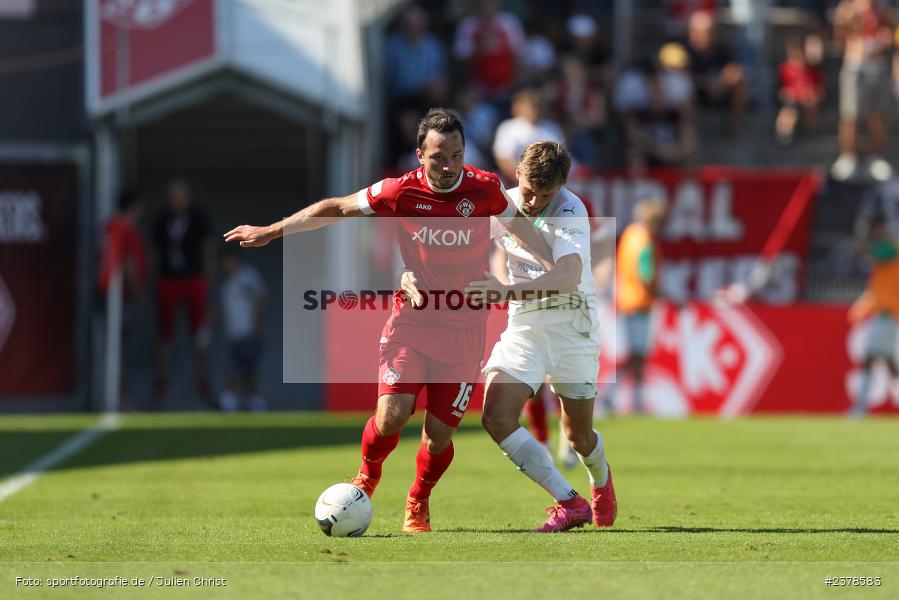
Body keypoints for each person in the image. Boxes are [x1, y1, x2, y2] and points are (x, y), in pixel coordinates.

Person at [224, 109, 552, 533]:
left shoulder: (486, 189)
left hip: (466, 331)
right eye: (438, 157)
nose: (448, 165)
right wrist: (274, 229)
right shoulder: (400, 191)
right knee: (392, 415)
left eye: (456, 155)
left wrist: (553, 265)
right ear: (420, 155)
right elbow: (338, 208)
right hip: (412, 321)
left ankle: (418, 499)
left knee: (439, 436)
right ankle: (368, 475)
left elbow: (522, 232)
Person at [405, 141, 617, 532]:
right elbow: (449, 249)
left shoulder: (571, 209)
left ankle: (601, 481)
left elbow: (567, 276)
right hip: (525, 329)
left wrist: (504, 291)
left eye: (545, 194)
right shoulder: (498, 204)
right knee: (496, 416)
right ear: (517, 171)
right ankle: (569, 502)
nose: (534, 201)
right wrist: (414, 272)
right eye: (530, 190)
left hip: (573, 328)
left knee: (578, 436)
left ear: (561, 188)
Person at [152, 178, 214, 406]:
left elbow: (208, 249)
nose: (176, 202)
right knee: (164, 330)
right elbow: (155, 251)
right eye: (172, 197)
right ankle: (162, 377)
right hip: (169, 279)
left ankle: (202, 376)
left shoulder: (198, 217)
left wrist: (207, 280)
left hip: (193, 279)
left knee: (199, 330)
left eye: (180, 197)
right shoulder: (162, 219)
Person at [832, 0, 894, 182]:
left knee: (877, 116)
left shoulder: (882, 11)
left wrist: (884, 40)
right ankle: (848, 157)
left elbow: (889, 35)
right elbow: (840, 38)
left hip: (878, 68)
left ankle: (876, 157)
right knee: (850, 115)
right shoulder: (847, 10)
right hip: (855, 66)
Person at [615, 198, 667, 415]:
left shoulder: (630, 234)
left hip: (625, 300)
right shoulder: (645, 240)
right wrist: (664, 295)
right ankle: (617, 398)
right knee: (637, 355)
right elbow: (645, 274)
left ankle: (631, 400)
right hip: (640, 302)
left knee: (634, 354)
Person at [848, 215, 899, 417]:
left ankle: (860, 407)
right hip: (886, 316)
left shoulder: (890, 251)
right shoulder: (889, 249)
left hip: (887, 315)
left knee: (870, 359)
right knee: (887, 363)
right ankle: (861, 406)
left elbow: (864, 253)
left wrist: (861, 235)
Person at [219, 245, 267, 413]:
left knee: (243, 370)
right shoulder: (227, 282)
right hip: (234, 334)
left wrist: (255, 327)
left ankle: (232, 402)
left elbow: (258, 301)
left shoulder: (248, 277)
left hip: (248, 333)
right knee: (242, 370)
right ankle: (251, 403)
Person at [492, 88, 565, 183]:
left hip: (550, 184)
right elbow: (503, 159)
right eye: (530, 106)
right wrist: (525, 181)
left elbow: (561, 159)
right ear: (518, 107)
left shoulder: (552, 128)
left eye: (537, 106)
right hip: (517, 184)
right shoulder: (508, 128)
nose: (534, 110)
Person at [775, 36, 825, 146]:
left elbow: (820, 91)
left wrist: (812, 95)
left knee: (811, 107)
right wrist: (788, 94)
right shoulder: (785, 68)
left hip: (808, 102)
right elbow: (780, 91)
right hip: (792, 102)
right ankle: (784, 138)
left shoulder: (812, 70)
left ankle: (810, 137)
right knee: (788, 113)